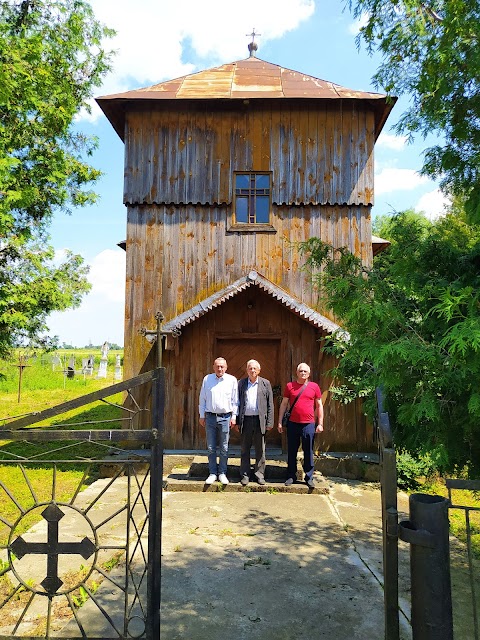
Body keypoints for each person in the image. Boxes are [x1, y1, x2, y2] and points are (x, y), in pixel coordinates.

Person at [277, 363, 323, 488]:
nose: (303, 373)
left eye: (305, 371)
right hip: (293, 424)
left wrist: (320, 423)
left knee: (308, 451)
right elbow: (283, 404)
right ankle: (291, 476)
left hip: (308, 424)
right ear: (297, 373)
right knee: (292, 451)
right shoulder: (290, 386)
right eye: (301, 371)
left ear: (309, 373)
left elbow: (319, 405)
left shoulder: (314, 386)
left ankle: (309, 477)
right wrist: (280, 421)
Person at [199, 357, 238, 485]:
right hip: (210, 417)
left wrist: (234, 417)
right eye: (217, 366)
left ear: (226, 367)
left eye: (222, 366)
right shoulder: (207, 379)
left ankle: (222, 473)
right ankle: (212, 473)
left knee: (224, 447)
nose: (220, 368)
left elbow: (235, 401)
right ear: (213, 367)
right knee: (211, 447)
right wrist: (201, 415)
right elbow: (202, 398)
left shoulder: (231, 380)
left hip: (226, 417)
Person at [236, 359, 274, 486]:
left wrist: (270, 422)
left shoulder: (265, 383)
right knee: (244, 449)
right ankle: (245, 475)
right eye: (250, 368)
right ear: (247, 370)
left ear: (259, 370)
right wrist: (236, 421)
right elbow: (236, 402)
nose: (252, 371)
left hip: (259, 421)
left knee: (260, 450)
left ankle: (259, 474)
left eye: (255, 368)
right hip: (245, 420)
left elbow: (270, 404)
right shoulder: (241, 383)